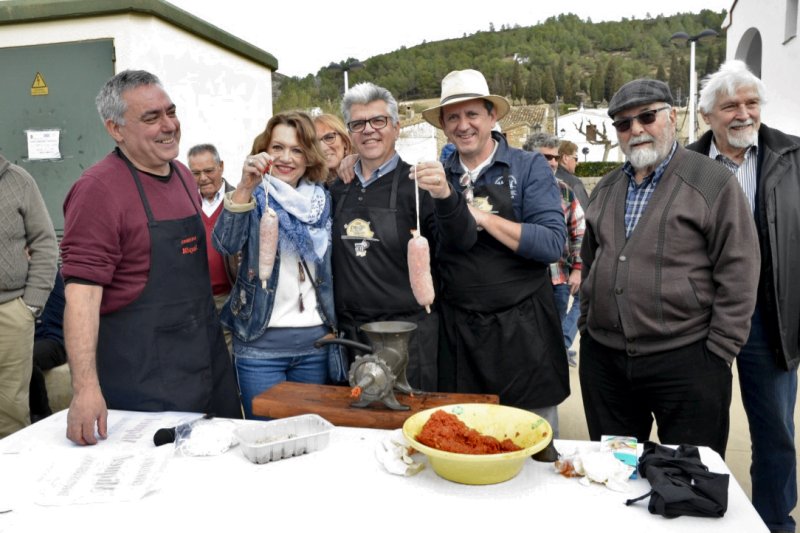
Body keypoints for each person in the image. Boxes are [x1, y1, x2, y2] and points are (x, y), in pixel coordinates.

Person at [579, 78, 760, 457]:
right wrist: (588, 327)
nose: (637, 130)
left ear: (672, 117)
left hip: (688, 362)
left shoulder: (713, 181)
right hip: (607, 365)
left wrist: (718, 353)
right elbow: (591, 261)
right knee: (617, 472)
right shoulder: (607, 188)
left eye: (647, 116)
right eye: (624, 124)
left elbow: (739, 270)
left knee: (691, 478)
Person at [60, 70, 241, 445]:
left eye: (171, 112)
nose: (169, 125)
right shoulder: (97, 190)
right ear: (116, 128)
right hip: (145, 378)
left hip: (206, 361)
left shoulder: (182, 176)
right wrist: (85, 389)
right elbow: (81, 299)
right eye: (151, 117)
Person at [416, 69, 569, 434]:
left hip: (523, 329)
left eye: (472, 114)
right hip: (460, 333)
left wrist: (479, 216)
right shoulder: (438, 177)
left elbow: (551, 243)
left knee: (532, 439)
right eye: (453, 116)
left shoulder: (529, 167)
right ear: (442, 123)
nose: (463, 125)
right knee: (465, 438)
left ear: (492, 116)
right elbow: (451, 243)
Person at [688, 59, 800, 533]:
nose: (743, 114)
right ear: (708, 115)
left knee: (774, 430)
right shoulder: (686, 166)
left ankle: (775, 521)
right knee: (699, 426)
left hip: (770, 317)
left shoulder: (792, 157)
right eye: (729, 105)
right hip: (699, 317)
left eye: (751, 103)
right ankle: (697, 512)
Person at [330, 82, 471, 393]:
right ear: (351, 133)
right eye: (358, 124)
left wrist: (448, 196)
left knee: (408, 427)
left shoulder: (419, 186)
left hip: (408, 334)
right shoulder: (338, 187)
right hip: (352, 334)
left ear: (395, 127)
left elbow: (461, 242)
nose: (369, 130)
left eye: (378, 121)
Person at [213, 111, 336, 419]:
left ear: (309, 156)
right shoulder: (252, 195)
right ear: (264, 150)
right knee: (264, 438)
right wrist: (243, 187)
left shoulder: (322, 200)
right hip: (259, 346)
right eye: (278, 148)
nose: (286, 158)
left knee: (308, 438)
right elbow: (224, 244)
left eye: (297, 150)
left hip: (315, 346)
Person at [0, 152, 58, 437]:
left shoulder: (18, 180)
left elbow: (45, 243)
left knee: (10, 410)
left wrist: (30, 306)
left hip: (10, 313)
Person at [523, 133, 584, 368]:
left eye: (555, 157)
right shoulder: (515, 189)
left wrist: (578, 268)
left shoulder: (565, 190)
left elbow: (579, 231)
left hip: (558, 278)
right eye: (546, 156)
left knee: (553, 332)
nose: (552, 162)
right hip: (524, 277)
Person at [187, 143, 237, 354]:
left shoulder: (238, 200)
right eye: (196, 173)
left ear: (221, 167)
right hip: (195, 299)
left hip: (230, 296)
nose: (203, 178)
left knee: (229, 357)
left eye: (209, 171)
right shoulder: (186, 203)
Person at [556, 139, 589, 362]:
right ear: (566, 158)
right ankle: (564, 342)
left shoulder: (534, 181)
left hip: (554, 262)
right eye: (576, 158)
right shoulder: (572, 184)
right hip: (568, 260)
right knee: (583, 298)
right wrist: (580, 265)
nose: (576, 163)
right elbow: (586, 223)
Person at [30, 268, 66, 422]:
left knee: (25, 358)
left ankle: (41, 415)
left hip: (53, 341)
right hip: (28, 340)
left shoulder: (46, 273)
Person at [313, 114, 353, 185]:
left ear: (344, 141)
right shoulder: (309, 189)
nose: (322, 148)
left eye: (329, 137)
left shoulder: (365, 174)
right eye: (314, 142)